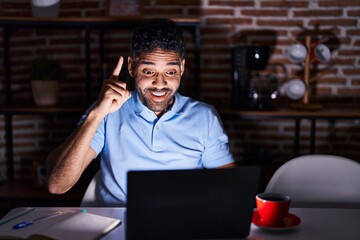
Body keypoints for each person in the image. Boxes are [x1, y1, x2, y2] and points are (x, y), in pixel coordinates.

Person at [46, 19, 235, 206]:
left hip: (181, 221)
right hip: (118, 223)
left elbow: (229, 188)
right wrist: (96, 114)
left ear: (182, 68)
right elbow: (57, 185)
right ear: (131, 67)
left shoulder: (205, 117)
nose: (160, 84)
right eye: (148, 71)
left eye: (170, 72)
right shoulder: (108, 111)